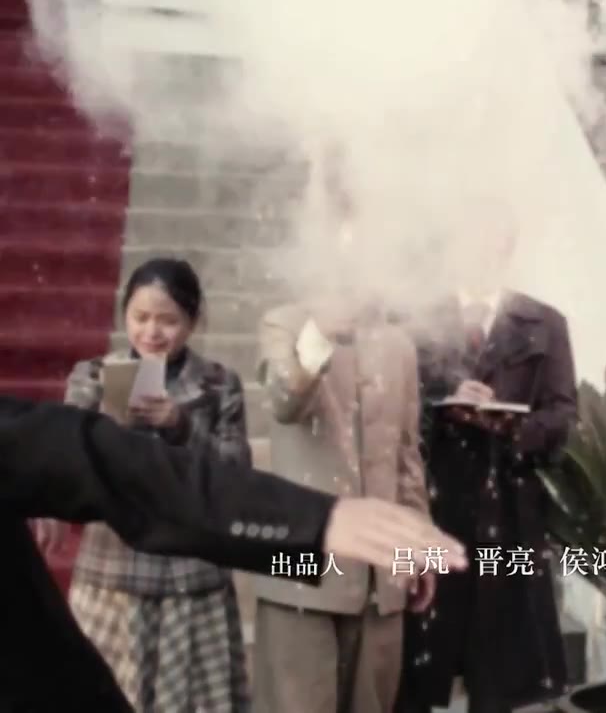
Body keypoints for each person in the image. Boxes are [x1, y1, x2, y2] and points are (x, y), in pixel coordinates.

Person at [0, 392, 466, 712]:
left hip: (343, 550)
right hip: (291, 566)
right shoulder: (293, 330)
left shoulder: (214, 380)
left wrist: (403, 528)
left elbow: (405, 450)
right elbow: (288, 396)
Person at [30, 258, 250, 712]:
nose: (152, 332)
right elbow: (63, 455)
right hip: (112, 572)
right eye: (140, 317)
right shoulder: (93, 375)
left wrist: (180, 424)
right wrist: (101, 433)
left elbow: (235, 470)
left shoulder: (218, 384)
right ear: (124, 314)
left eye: (168, 320)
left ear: (192, 321)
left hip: (192, 575)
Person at [399, 214, 576, 712]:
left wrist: (511, 426)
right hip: (432, 502)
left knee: (498, 670)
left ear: (507, 249)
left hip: (509, 508)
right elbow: (395, 408)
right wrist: (444, 401)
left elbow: (563, 416)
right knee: (419, 661)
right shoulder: (419, 322)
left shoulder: (544, 323)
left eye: (492, 243)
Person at [252, 290, 433, 713]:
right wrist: (320, 334)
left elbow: (406, 452)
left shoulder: (398, 344)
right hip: (303, 572)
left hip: (380, 575)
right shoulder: (285, 323)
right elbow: (284, 402)